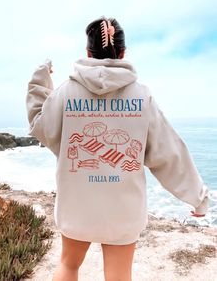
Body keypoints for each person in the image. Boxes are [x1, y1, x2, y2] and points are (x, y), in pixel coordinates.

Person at [26, 17, 209, 281]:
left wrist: (39, 82)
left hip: (77, 204)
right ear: (122, 53)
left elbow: (41, 127)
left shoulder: (66, 92)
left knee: (68, 265)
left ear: (88, 52)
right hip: (124, 208)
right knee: (119, 275)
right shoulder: (141, 96)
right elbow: (168, 152)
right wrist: (197, 197)